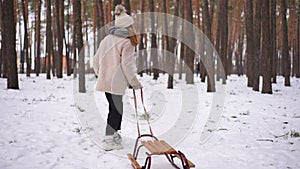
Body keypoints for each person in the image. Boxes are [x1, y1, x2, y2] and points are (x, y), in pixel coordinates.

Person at [93, 5, 142, 151]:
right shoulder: (127, 42)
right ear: (128, 26)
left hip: (106, 81)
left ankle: (113, 134)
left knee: (114, 108)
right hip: (116, 82)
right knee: (116, 110)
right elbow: (127, 66)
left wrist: (101, 74)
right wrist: (135, 83)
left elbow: (95, 61)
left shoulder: (107, 39)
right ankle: (108, 139)